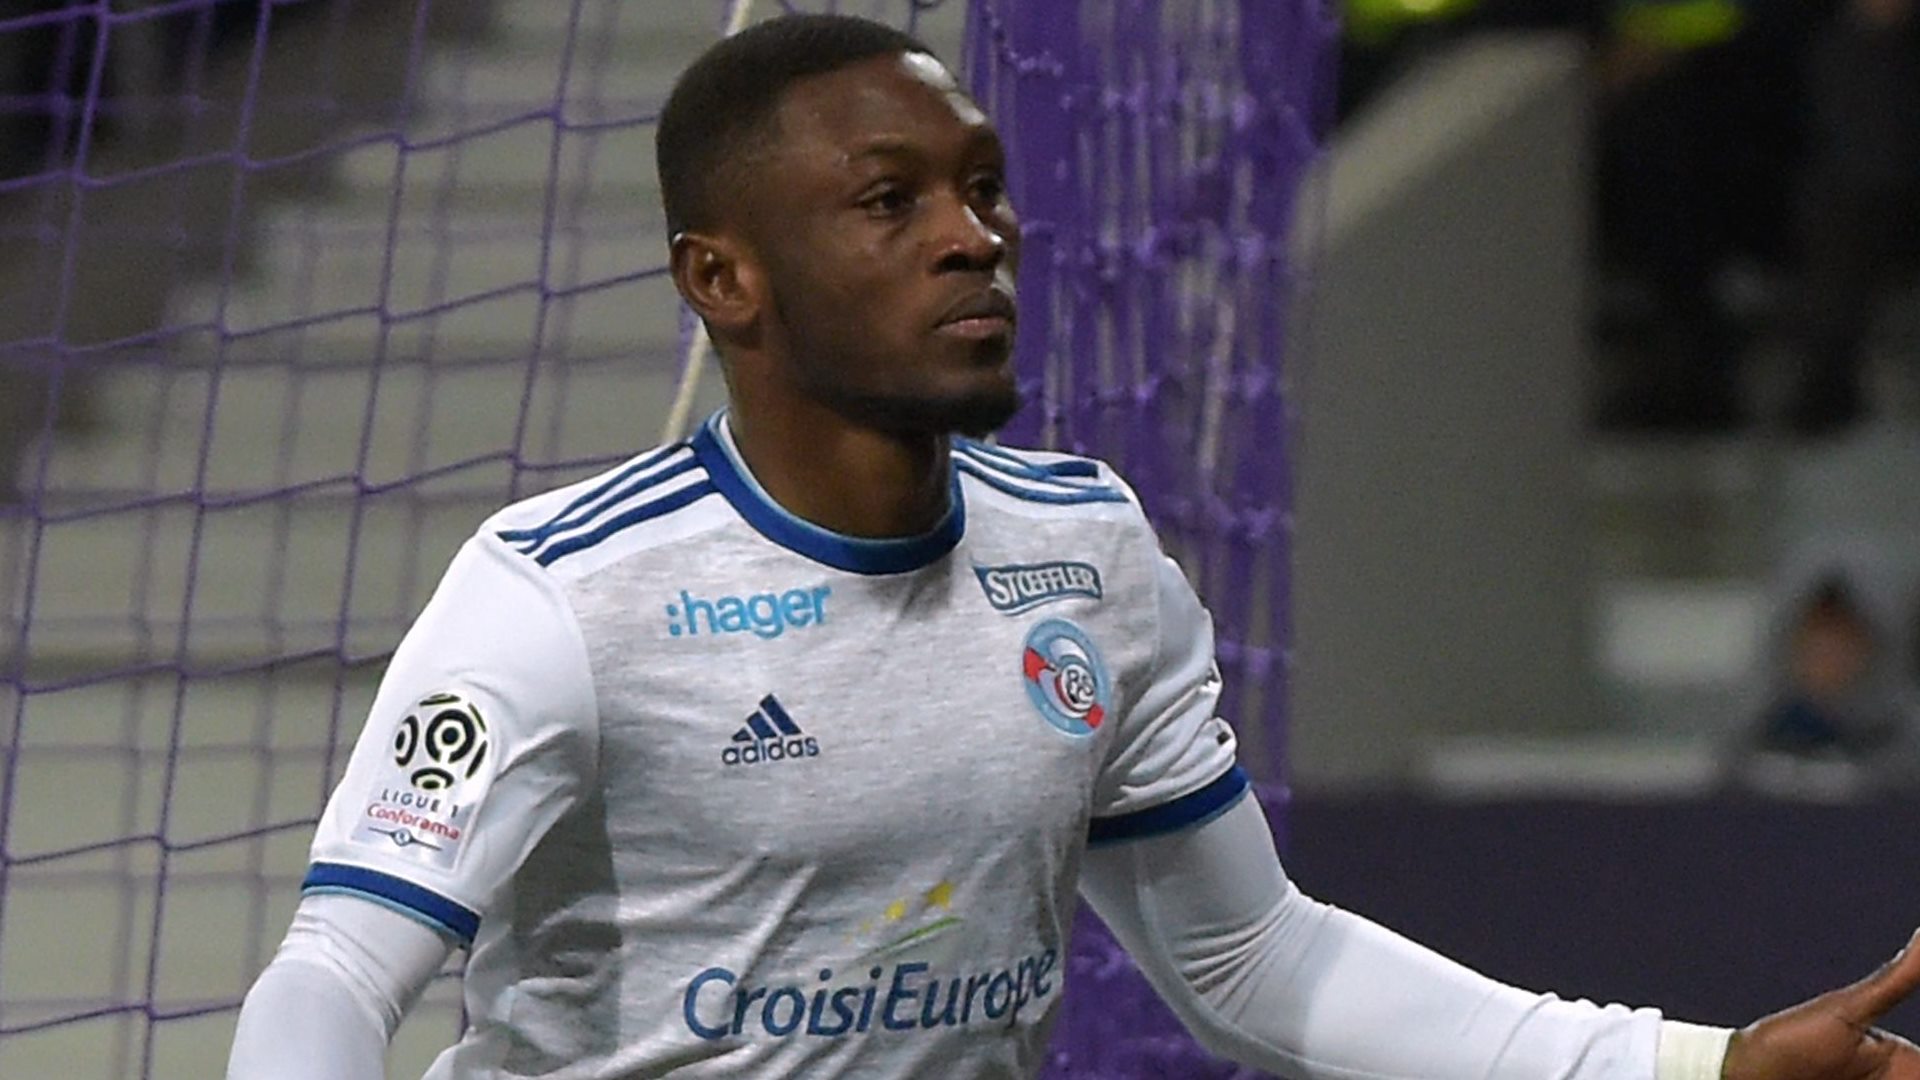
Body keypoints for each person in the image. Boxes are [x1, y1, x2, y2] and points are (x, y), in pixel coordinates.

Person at [226, 15, 1920, 1079]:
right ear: (722, 279)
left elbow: (1254, 961)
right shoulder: (561, 595)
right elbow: (337, 976)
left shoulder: (1085, 555)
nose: (974, 237)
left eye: (979, 188)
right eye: (889, 202)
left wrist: (1692, 1065)